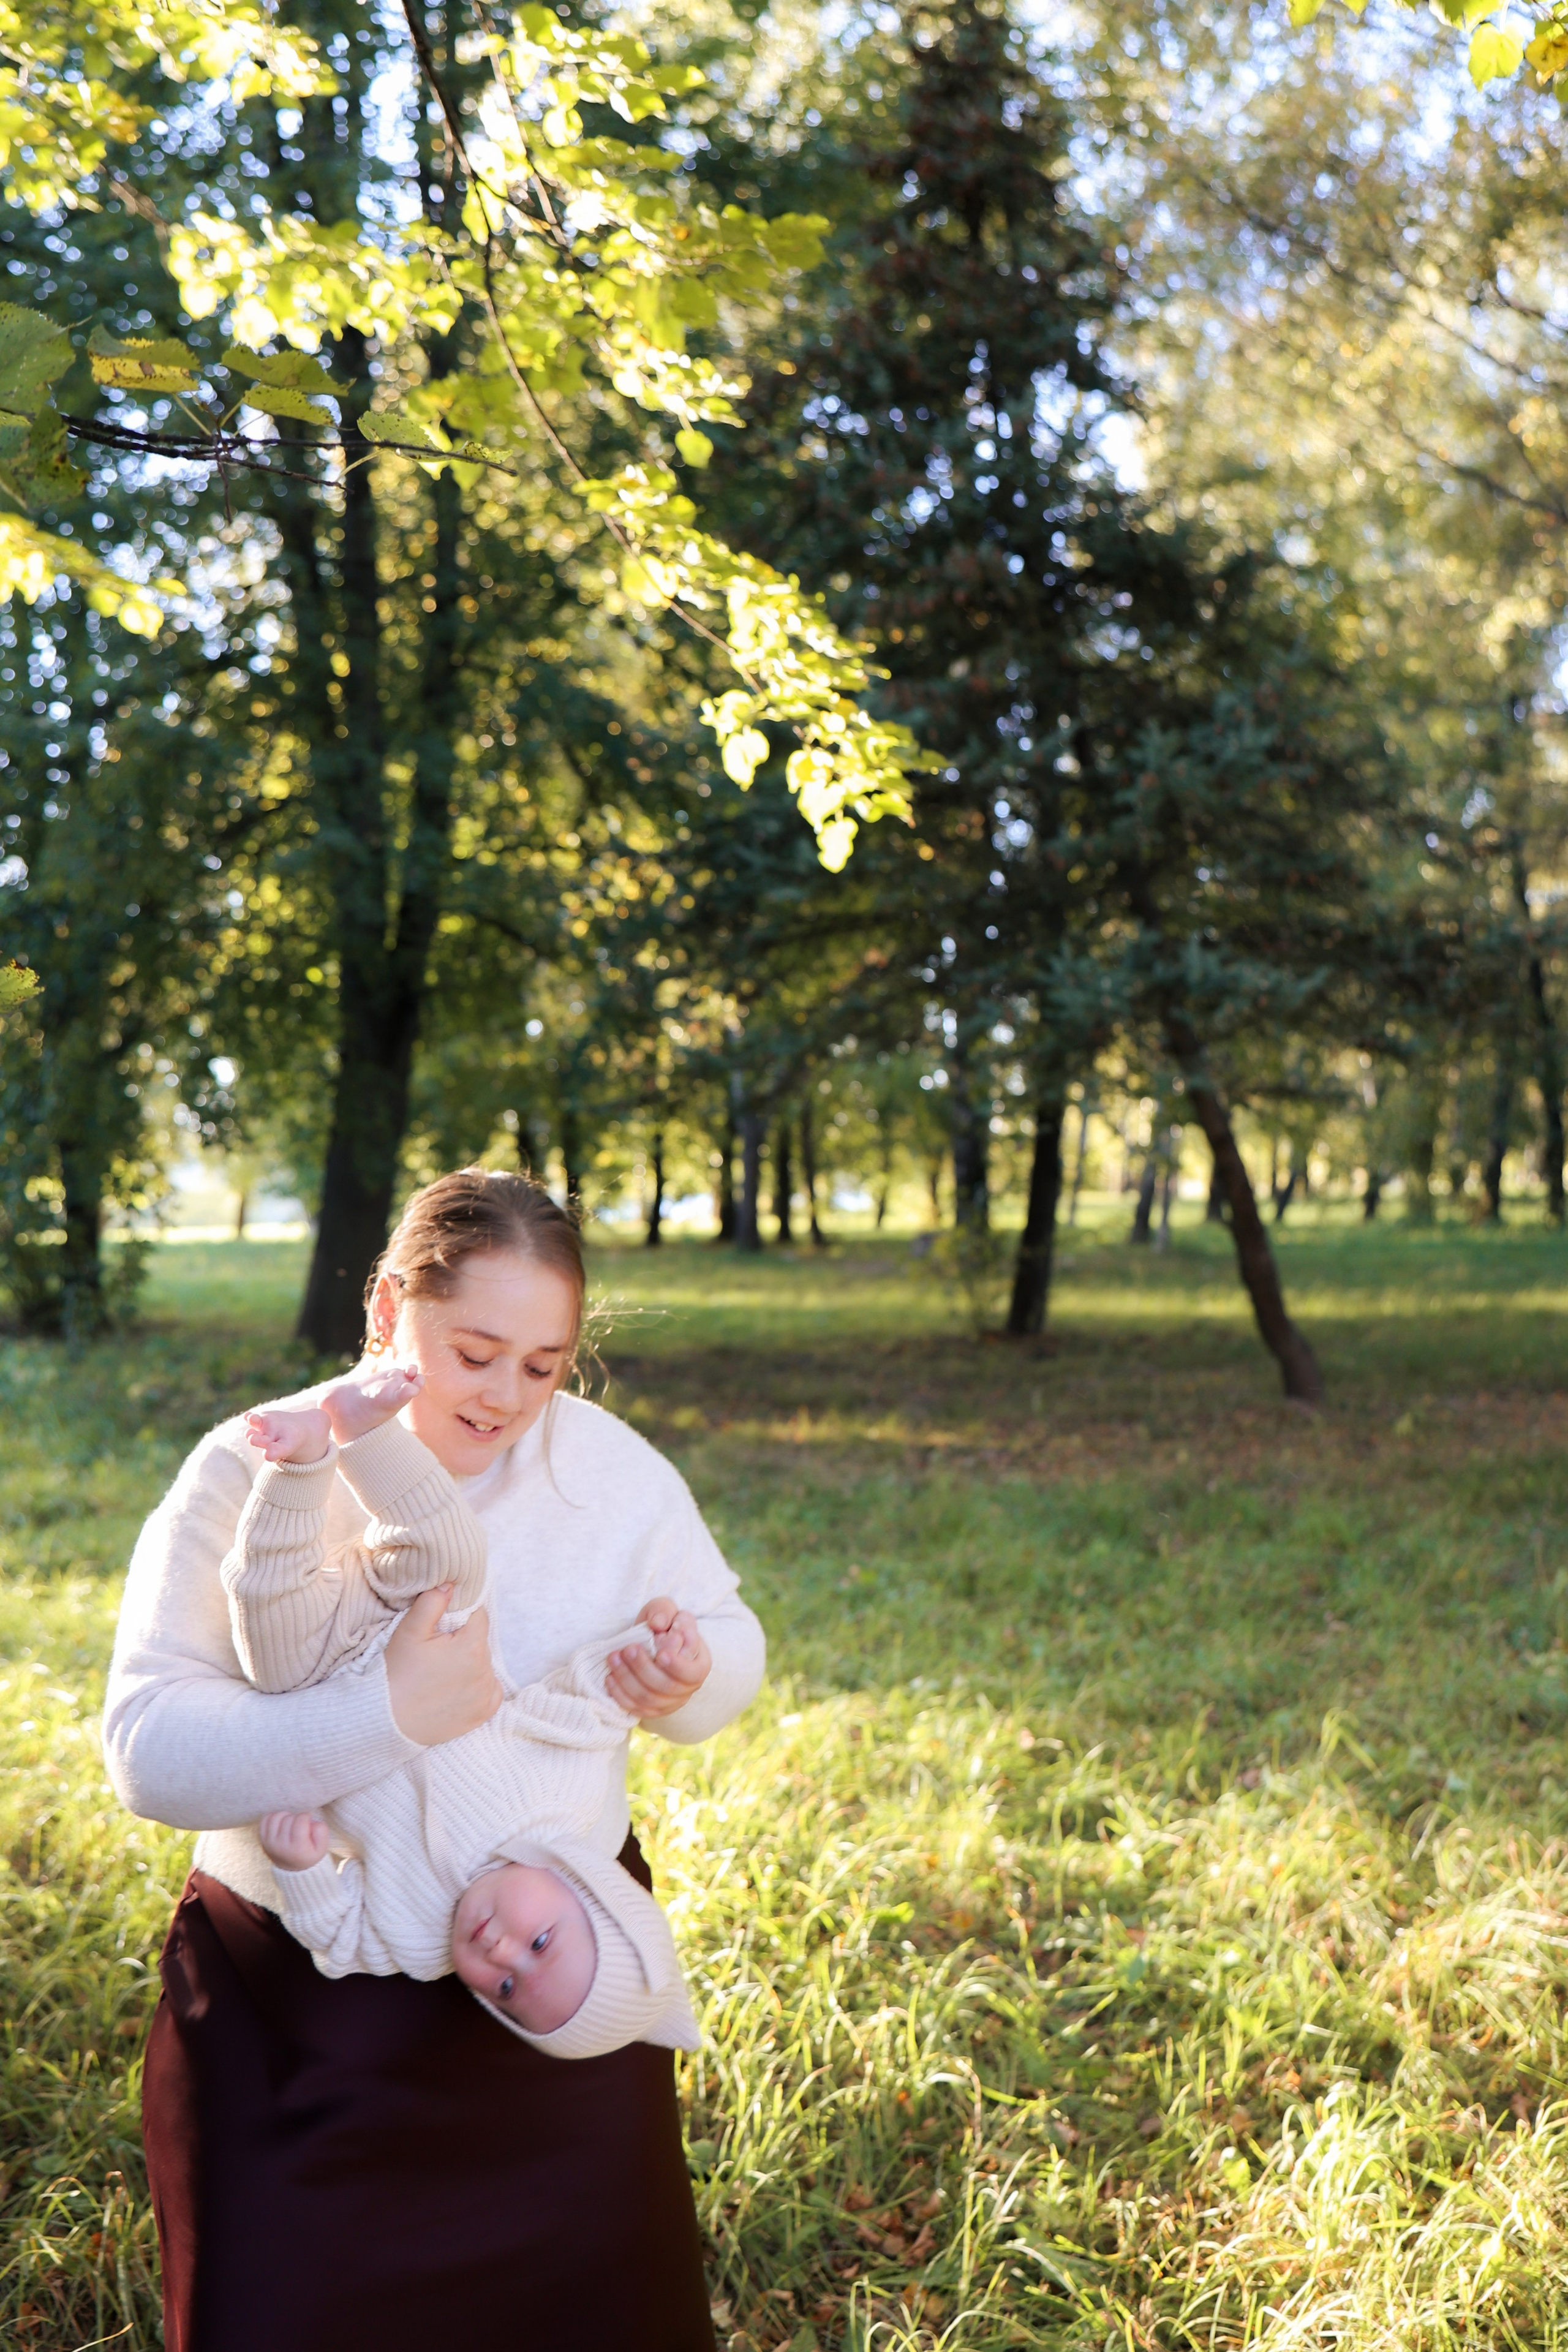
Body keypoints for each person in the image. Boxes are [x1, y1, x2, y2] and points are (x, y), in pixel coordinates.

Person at [104, 1166, 766, 2352]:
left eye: (544, 1364)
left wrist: (691, 1681)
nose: (508, 1396)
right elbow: (147, 1754)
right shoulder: (252, 1464)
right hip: (306, 2009)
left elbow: (729, 1648)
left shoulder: (607, 1471)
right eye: (475, 1351)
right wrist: (388, 1713)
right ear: (384, 1307)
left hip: (555, 2004)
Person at [229, 1361, 700, 2056]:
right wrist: (650, 1655)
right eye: (541, 1942)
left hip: (317, 1679)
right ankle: (366, 1433)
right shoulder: (561, 1808)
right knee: (456, 1555)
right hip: (416, 1614)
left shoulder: (416, 1941)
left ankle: (300, 1462)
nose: (502, 1952)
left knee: (266, 1617)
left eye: (505, 1989)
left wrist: (301, 1872)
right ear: (586, 1890)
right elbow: (588, 1707)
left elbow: (338, 1942)